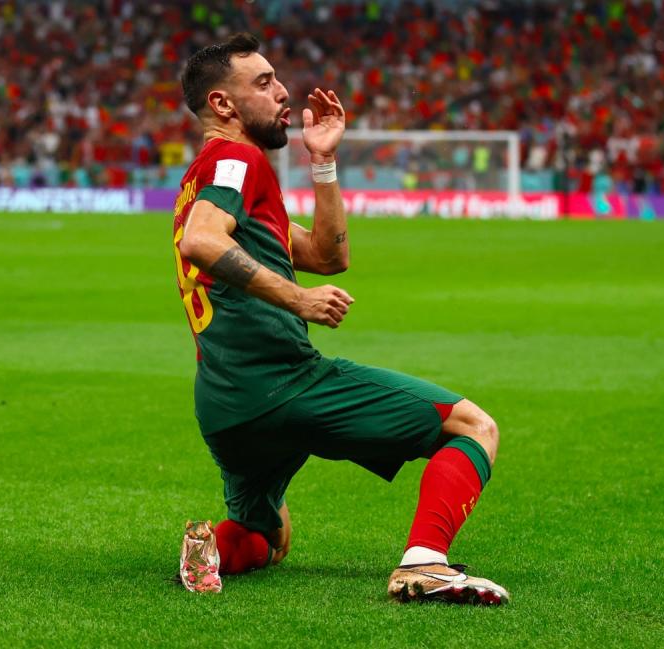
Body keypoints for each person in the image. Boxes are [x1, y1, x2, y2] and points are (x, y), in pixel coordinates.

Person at [172, 33, 509, 606]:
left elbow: (329, 256)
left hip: (225, 405)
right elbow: (202, 241)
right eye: (263, 82)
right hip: (284, 383)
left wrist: (322, 161)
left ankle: (214, 551)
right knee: (473, 426)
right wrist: (299, 301)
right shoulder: (235, 158)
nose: (282, 92)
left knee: (268, 538)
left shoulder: (212, 175)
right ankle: (424, 563)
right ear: (223, 106)